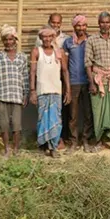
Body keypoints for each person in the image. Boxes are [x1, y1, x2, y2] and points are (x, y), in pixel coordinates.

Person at [0, 24, 29, 157]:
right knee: (4, 125)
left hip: (17, 96)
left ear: (15, 40)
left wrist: (25, 94)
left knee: (17, 125)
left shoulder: (22, 57)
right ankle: (6, 149)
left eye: (11, 39)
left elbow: (25, 77)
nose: (8, 42)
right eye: (5, 39)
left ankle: (16, 149)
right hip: (2, 95)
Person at [86, 11, 110, 152]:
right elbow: (88, 63)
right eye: (102, 22)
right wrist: (91, 82)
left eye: (107, 22)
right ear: (98, 23)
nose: (105, 25)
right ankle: (99, 141)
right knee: (98, 112)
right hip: (98, 80)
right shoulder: (92, 40)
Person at [32, 26, 71, 157]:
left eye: (50, 37)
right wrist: (32, 90)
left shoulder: (59, 52)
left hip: (56, 90)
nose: (47, 39)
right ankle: (43, 146)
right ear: (41, 38)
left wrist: (68, 90)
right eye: (44, 37)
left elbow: (65, 71)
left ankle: (53, 147)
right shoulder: (37, 51)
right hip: (42, 90)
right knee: (42, 119)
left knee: (55, 120)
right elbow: (32, 72)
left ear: (54, 38)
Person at [61, 14, 93, 151]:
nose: (81, 28)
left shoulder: (91, 41)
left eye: (84, 25)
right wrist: (67, 86)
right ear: (74, 26)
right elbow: (65, 67)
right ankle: (73, 141)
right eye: (78, 25)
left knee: (88, 113)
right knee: (73, 115)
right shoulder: (68, 42)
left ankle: (86, 140)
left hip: (88, 81)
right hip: (73, 82)